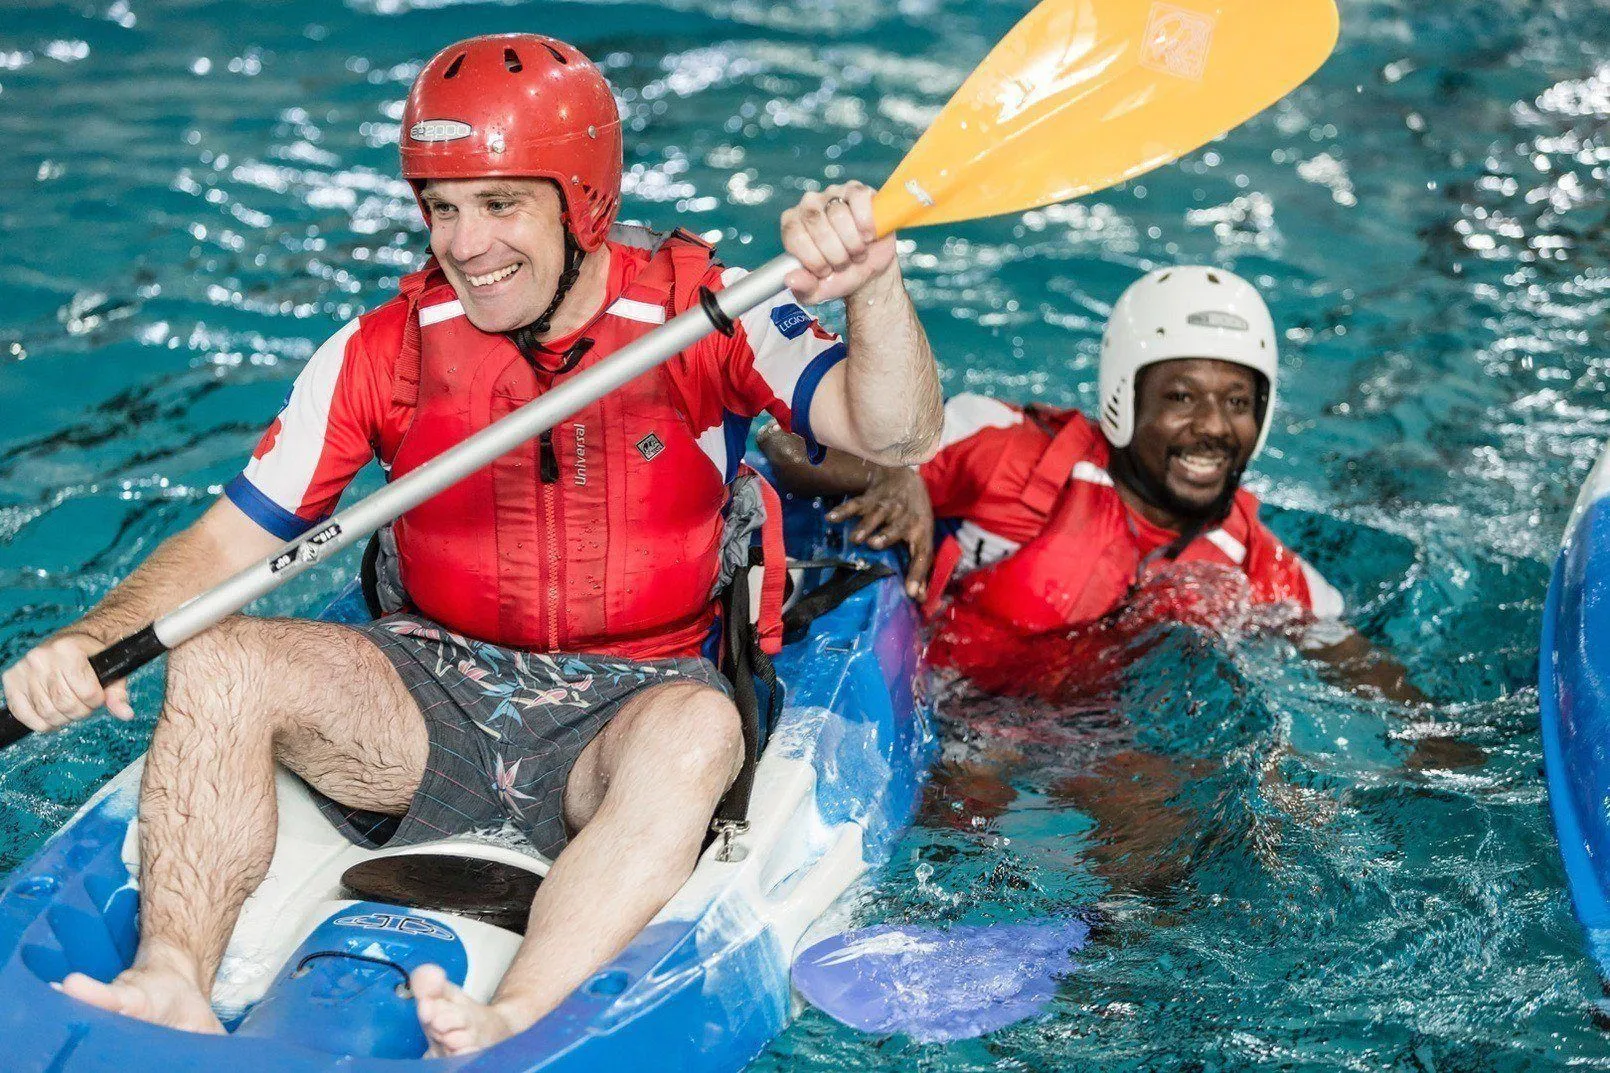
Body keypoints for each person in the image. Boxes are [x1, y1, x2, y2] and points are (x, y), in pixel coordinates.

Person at [0, 34, 942, 1056]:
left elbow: (893, 431)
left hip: (627, 707)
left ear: (581, 203)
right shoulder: (385, 348)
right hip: (426, 696)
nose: (465, 242)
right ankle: (170, 976)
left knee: (696, 735)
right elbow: (231, 535)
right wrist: (90, 639)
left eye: (500, 205)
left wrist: (872, 284)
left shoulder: (704, 312)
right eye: (442, 207)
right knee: (221, 657)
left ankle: (515, 1014)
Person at [760, 265, 1401, 696]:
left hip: (1087, 735)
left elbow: (1351, 653)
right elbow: (781, 443)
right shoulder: (1005, 450)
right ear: (1125, 395)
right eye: (1182, 397)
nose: (1213, 427)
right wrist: (895, 467)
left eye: (1238, 403)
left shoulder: (1248, 557)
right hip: (946, 705)